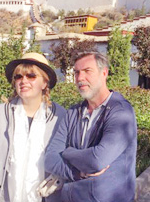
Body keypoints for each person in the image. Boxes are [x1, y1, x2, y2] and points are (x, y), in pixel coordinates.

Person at [0, 52, 66, 202]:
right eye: (18, 76)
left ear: (44, 83)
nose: (24, 81)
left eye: (31, 76)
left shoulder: (60, 118)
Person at [44, 51, 137, 202]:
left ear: (104, 73)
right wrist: (77, 173)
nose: (80, 78)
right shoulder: (73, 112)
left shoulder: (120, 111)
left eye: (87, 71)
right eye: (76, 72)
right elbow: (49, 159)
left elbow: (97, 160)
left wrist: (67, 152)